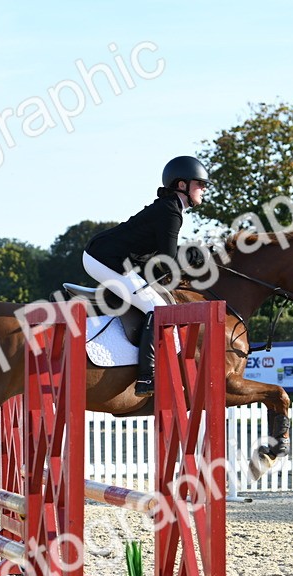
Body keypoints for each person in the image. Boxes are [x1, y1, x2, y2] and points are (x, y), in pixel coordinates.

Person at [83, 155, 210, 397]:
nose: (203, 189)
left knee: (153, 299)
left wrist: (194, 253)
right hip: (104, 258)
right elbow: (167, 263)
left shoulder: (170, 208)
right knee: (157, 307)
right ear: (182, 185)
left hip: (109, 256)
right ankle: (146, 377)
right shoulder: (171, 211)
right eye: (199, 183)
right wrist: (194, 255)